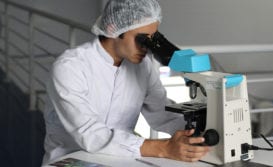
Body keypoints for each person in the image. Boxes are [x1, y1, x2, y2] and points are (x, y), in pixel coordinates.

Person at [42, 0, 210, 165]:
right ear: (113, 29)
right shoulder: (71, 67)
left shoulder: (144, 67)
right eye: (142, 39)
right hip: (72, 160)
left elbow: (163, 115)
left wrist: (202, 130)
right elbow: (90, 134)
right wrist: (165, 147)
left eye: (153, 39)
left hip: (120, 159)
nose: (147, 47)